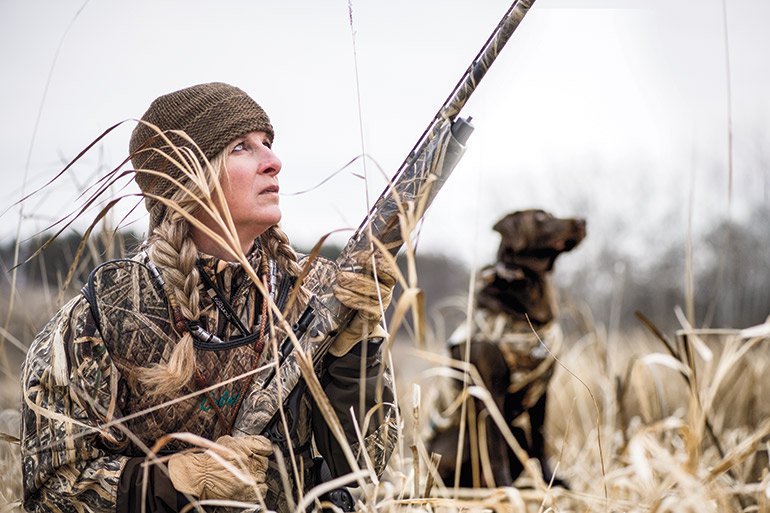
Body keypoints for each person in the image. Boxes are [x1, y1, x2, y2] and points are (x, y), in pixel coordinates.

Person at [20, 82, 399, 513]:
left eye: (268, 144)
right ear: (187, 180)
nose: (274, 162)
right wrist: (181, 481)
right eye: (241, 147)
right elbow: (52, 491)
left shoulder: (313, 295)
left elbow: (367, 462)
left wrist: (360, 343)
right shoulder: (104, 312)